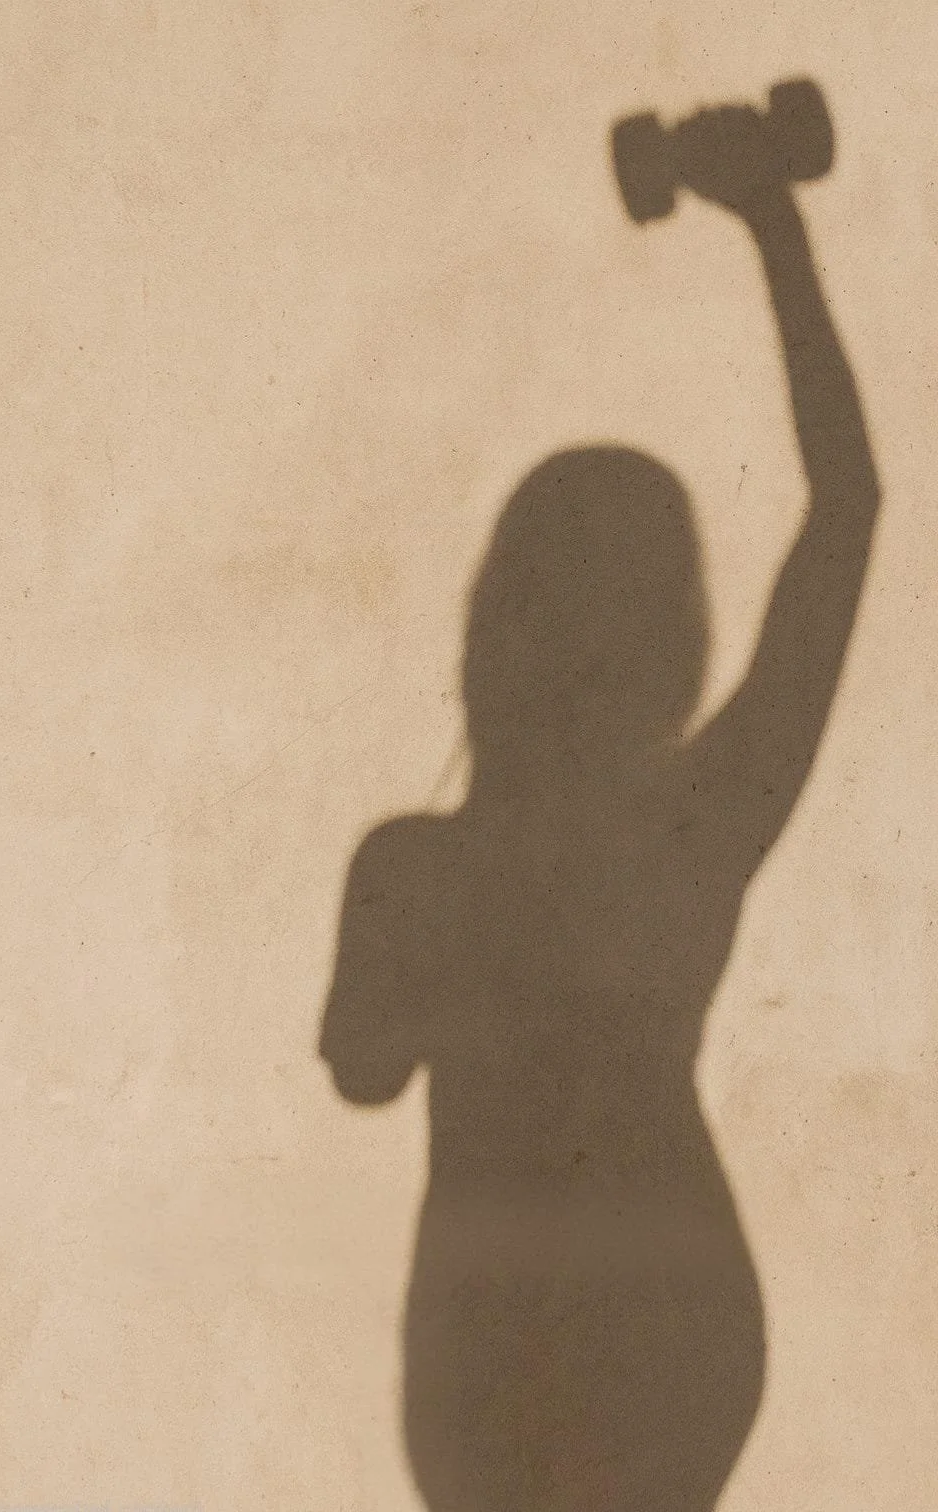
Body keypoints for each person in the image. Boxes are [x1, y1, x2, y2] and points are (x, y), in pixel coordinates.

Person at [321, 101, 880, 1511]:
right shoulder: (697, 825)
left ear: (494, 628)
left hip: (497, 1338)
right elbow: (845, 511)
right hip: (659, 1326)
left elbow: (362, 1065)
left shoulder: (418, 863)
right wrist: (772, 222)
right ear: (669, 638)